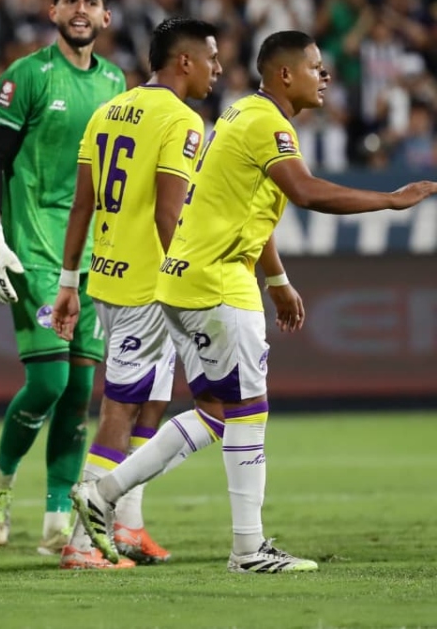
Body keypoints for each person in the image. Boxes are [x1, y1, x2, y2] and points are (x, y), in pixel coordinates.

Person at [73, 30, 437, 573]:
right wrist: (390, 199)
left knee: (217, 413)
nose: (326, 76)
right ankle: (247, 549)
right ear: (285, 75)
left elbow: (246, 205)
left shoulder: (241, 115)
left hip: (182, 280)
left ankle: (103, 493)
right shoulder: (268, 124)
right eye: (316, 67)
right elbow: (306, 191)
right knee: (249, 411)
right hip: (217, 282)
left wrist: (278, 280)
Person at [50, 17, 228, 568]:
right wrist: (193, 283)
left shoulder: (108, 111)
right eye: (212, 58)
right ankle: (83, 544)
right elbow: (168, 212)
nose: (217, 69)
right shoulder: (182, 120)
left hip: (108, 276)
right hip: (149, 288)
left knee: (152, 401)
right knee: (121, 410)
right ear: (184, 62)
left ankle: (127, 526)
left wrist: (68, 281)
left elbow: (82, 204)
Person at [0, 0, 126, 558]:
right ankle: (1, 478)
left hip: (94, 258)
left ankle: (58, 521)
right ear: (53, 11)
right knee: (50, 380)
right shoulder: (27, 77)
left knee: (80, 391)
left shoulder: (116, 82)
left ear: (106, 17)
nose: (81, 9)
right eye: (71, 0)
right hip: (34, 250)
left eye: (91, 1)